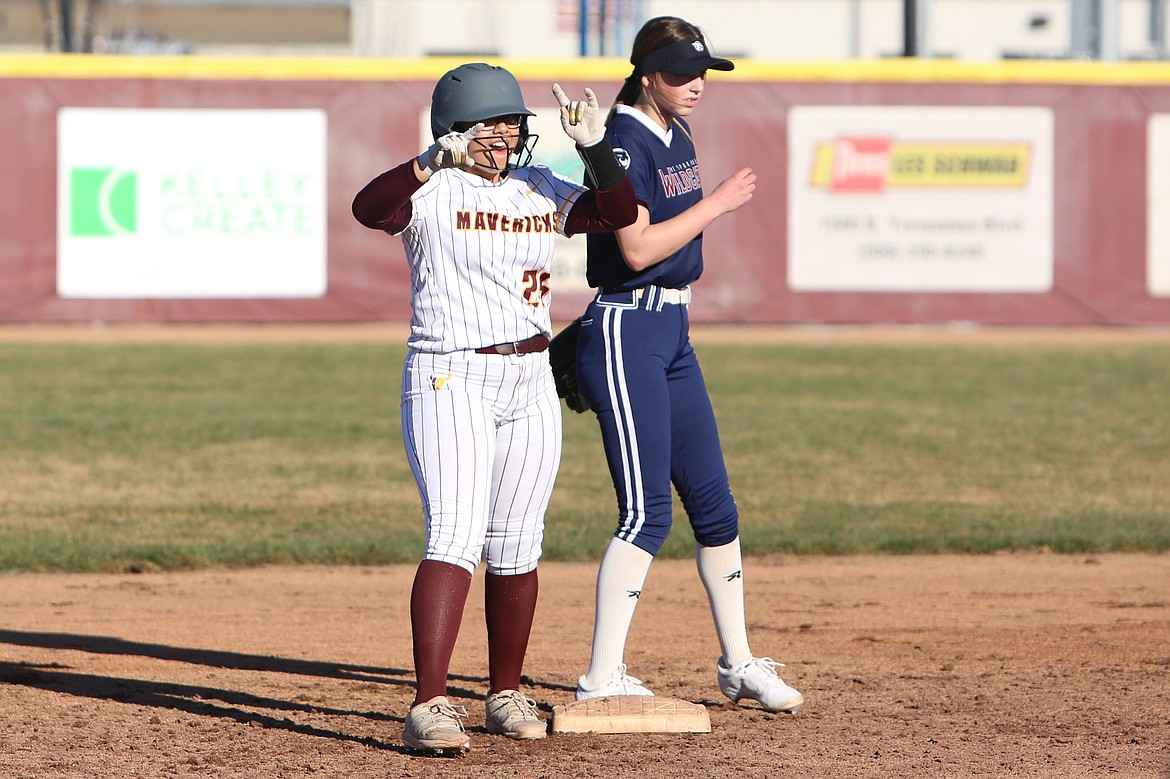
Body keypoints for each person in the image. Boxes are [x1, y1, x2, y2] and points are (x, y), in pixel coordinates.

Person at [352, 62, 637, 755]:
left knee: (517, 540)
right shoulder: (434, 187)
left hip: (531, 375)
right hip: (452, 373)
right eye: (491, 124)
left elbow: (617, 213)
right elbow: (369, 209)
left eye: (513, 123)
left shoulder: (538, 184)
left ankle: (504, 692)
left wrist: (598, 151)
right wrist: (426, 164)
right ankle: (428, 703)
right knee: (454, 532)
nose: (506, 135)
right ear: (455, 131)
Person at [571, 17, 805, 713]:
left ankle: (737, 663)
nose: (695, 84)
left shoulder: (676, 129)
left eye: (701, 71)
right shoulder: (620, 138)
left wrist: (710, 206)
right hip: (624, 326)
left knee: (715, 506)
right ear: (647, 75)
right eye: (678, 72)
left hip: (673, 328)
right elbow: (637, 250)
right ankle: (600, 676)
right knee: (646, 513)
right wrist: (718, 204)